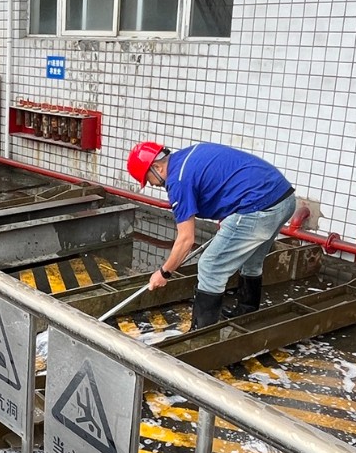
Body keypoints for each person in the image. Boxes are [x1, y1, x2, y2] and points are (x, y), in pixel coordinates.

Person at [127, 139, 297, 331]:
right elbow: (226, 179)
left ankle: (201, 332)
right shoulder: (189, 156)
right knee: (251, 260)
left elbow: (186, 239)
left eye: (148, 178)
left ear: (157, 167)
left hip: (259, 207)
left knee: (210, 267)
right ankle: (247, 312)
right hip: (284, 199)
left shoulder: (178, 181)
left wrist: (164, 272)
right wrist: (229, 214)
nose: (152, 184)